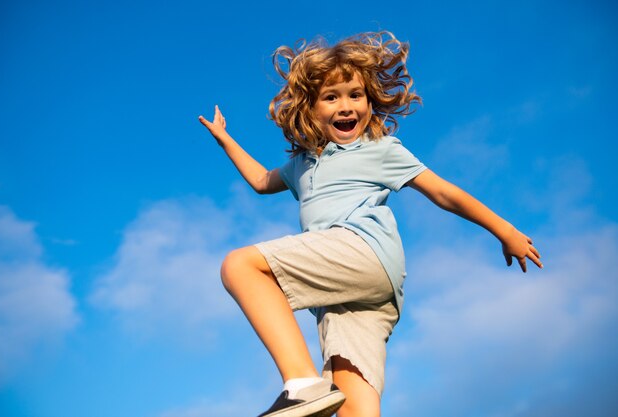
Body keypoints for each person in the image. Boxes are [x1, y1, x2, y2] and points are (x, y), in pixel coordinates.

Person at [198, 31, 542, 417]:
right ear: (309, 109)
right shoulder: (302, 165)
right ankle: (316, 390)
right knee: (351, 402)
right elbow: (262, 181)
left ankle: (301, 382)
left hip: (362, 252)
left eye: (355, 95)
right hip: (352, 296)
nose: (346, 106)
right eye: (331, 97)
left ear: (369, 102)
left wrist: (505, 230)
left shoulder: (379, 149)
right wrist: (225, 140)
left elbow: (443, 192)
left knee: (241, 265)